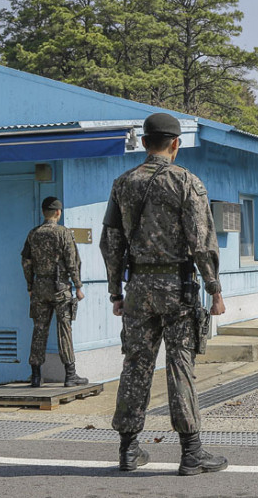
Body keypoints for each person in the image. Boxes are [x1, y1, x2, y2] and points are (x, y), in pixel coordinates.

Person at [100, 112, 227, 475]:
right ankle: (191, 453)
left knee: (135, 365)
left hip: (138, 289)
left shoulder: (122, 184)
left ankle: (127, 449)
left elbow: (110, 243)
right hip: (178, 289)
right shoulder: (186, 182)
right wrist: (214, 289)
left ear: (144, 143)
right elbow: (202, 242)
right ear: (176, 144)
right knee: (180, 365)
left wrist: (115, 293)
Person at [21, 196, 87, 388]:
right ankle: (70, 375)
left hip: (40, 288)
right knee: (64, 329)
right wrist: (78, 286)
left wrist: (30, 287)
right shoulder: (63, 233)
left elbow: (26, 262)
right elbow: (72, 262)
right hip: (60, 288)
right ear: (58, 212)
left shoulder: (33, 234)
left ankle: (35, 376)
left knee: (39, 329)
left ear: (43, 212)